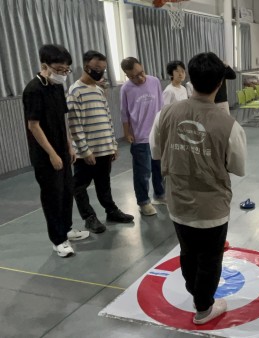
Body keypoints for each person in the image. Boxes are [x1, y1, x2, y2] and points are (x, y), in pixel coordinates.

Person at [150, 52, 247, 325]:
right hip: (212, 208)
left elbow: (156, 152)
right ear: (219, 84)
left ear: (190, 79)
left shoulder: (166, 113)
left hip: (178, 202)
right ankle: (204, 306)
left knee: (188, 251)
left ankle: (195, 292)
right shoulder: (229, 124)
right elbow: (238, 167)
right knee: (210, 257)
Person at [23, 44, 89, 258]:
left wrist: (69, 146)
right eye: (59, 69)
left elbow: (63, 118)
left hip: (62, 148)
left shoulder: (57, 86)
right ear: (45, 65)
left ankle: (67, 229)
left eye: (66, 70)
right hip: (45, 154)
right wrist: (52, 154)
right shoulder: (34, 89)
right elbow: (34, 125)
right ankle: (58, 240)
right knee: (52, 195)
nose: (63, 74)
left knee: (66, 190)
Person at [67, 50, 134, 234]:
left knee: (104, 183)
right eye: (97, 68)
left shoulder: (98, 90)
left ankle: (111, 211)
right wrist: (85, 150)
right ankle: (89, 217)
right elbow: (74, 125)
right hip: (86, 153)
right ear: (86, 66)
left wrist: (112, 144)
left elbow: (107, 118)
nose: (100, 72)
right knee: (79, 187)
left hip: (104, 148)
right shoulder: (75, 91)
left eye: (103, 69)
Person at [120, 57, 165, 216]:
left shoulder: (154, 81)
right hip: (139, 137)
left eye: (141, 73)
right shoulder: (126, 89)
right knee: (143, 171)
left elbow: (161, 105)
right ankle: (143, 202)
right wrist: (127, 133)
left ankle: (160, 194)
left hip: (157, 134)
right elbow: (124, 113)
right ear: (127, 76)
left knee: (159, 167)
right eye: (133, 76)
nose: (139, 78)